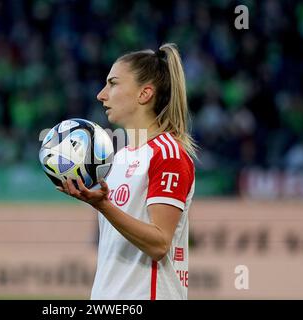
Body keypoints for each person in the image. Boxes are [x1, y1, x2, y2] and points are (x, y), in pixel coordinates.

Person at [57, 43, 196, 300]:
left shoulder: (168, 155)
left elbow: (159, 244)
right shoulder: (117, 158)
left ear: (144, 94)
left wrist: (104, 206)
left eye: (113, 83)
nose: (101, 94)